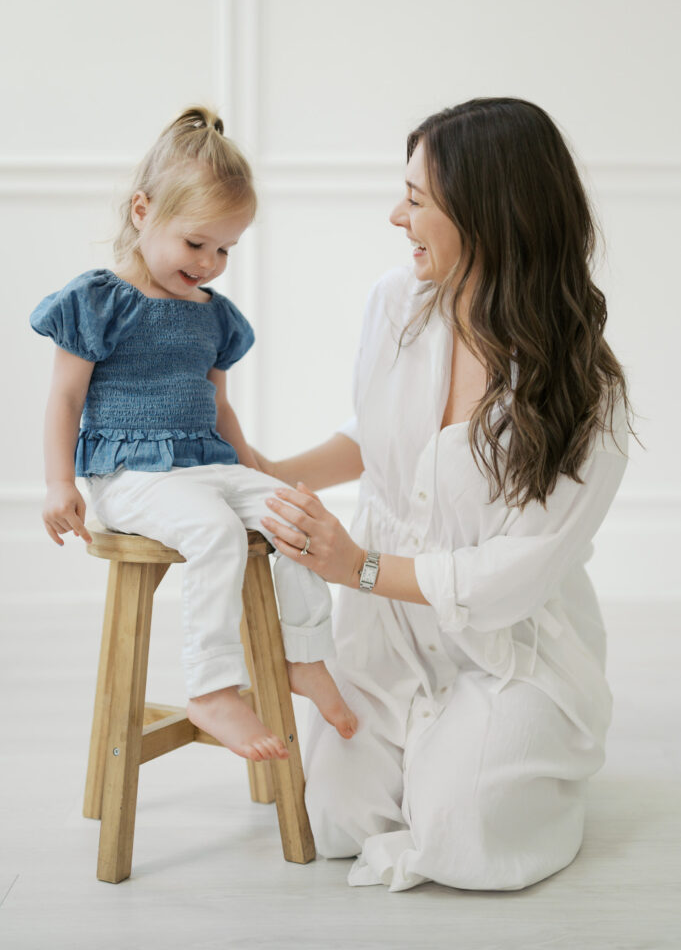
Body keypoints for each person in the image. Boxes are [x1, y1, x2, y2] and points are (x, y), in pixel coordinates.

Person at [253, 97, 636, 891]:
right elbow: (375, 440)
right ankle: (446, 754)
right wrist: (263, 468)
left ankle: (521, 765)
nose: (397, 215)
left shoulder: (586, 394)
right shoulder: (397, 304)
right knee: (334, 821)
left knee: (463, 838)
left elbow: (511, 578)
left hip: (506, 647)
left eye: (417, 200)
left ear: (488, 215)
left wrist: (353, 565)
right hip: (387, 635)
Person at [30, 106, 357, 764]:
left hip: (203, 464)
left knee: (292, 513)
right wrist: (59, 483)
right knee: (212, 529)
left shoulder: (215, 317)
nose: (210, 262)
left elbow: (219, 405)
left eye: (224, 249)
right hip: (130, 476)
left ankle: (304, 656)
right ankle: (211, 686)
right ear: (143, 210)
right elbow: (65, 396)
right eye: (196, 243)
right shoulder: (100, 300)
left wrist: (256, 467)